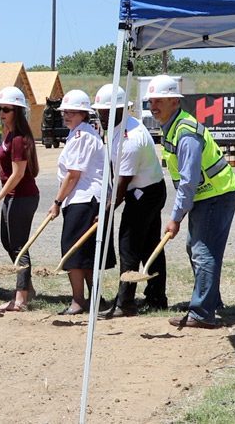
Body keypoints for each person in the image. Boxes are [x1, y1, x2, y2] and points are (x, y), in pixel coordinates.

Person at [145, 75, 235, 329]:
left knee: (203, 252)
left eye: (160, 100)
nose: (154, 105)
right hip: (205, 194)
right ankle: (210, 301)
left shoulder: (185, 133)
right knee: (195, 248)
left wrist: (175, 218)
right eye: (152, 100)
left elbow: (188, 181)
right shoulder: (172, 127)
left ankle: (203, 312)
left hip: (216, 194)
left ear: (175, 101)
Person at [92, 84, 168, 318]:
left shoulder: (131, 138)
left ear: (120, 109)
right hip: (144, 190)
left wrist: (106, 211)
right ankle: (156, 299)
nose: (101, 115)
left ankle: (126, 303)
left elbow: (122, 188)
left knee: (129, 245)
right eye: (99, 111)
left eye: (105, 111)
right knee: (149, 246)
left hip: (145, 193)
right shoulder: (115, 128)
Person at [48, 89, 116, 315]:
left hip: (84, 199)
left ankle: (79, 300)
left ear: (84, 114)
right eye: (65, 112)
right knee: (83, 253)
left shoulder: (82, 136)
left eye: (73, 112)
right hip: (81, 199)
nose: (67, 115)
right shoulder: (78, 134)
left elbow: (73, 174)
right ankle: (93, 299)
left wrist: (57, 201)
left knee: (75, 252)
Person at [0, 87, 39, 312]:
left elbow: (18, 174)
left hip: (22, 197)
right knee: (7, 242)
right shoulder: (9, 135)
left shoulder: (18, 139)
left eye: (5, 109)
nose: (1, 113)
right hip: (12, 196)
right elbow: (8, 161)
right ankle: (28, 287)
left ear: (16, 111)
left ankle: (21, 299)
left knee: (19, 246)